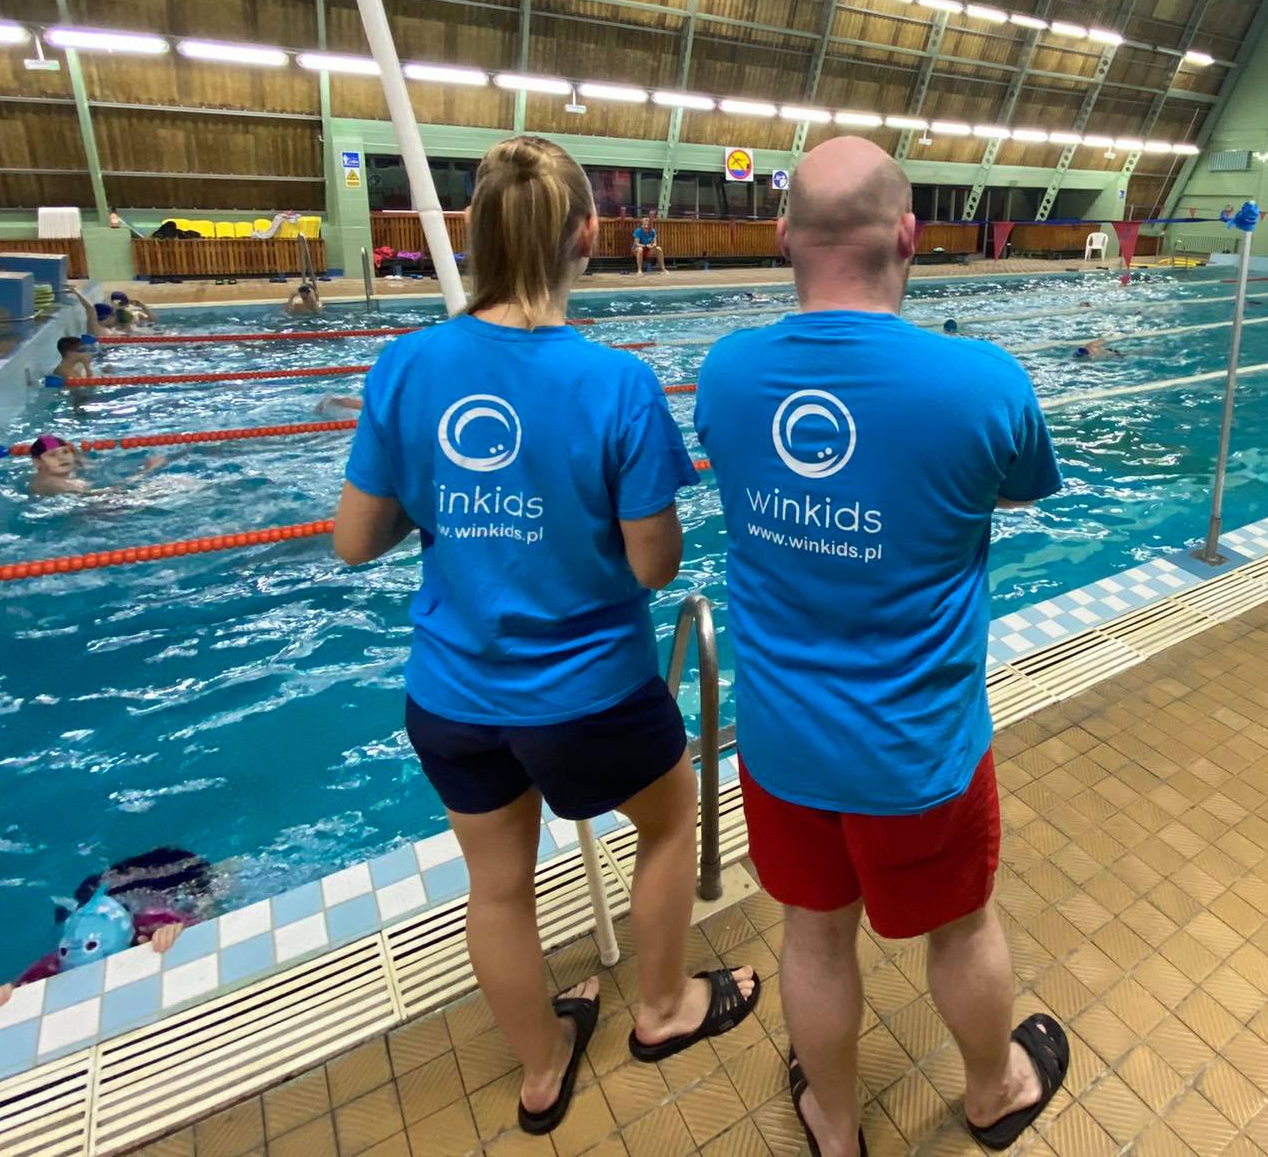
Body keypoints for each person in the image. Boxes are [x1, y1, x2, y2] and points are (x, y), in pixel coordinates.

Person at [332, 136, 756, 1136]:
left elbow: (355, 541)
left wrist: (452, 504)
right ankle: (663, 1008)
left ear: (472, 235)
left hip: (450, 697)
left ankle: (540, 1069)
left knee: (497, 890)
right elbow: (654, 566)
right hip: (587, 694)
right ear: (589, 236)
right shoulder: (616, 384)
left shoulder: (406, 366)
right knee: (668, 825)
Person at [695, 139, 1068, 1157]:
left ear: (783, 238)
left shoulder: (726, 374)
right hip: (919, 750)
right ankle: (992, 1092)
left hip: (783, 745)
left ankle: (834, 1122)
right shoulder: (982, 383)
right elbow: (1014, 492)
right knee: (962, 926)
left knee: (814, 936)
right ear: (908, 235)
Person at [0, 848, 217, 1008]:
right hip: (113, 905)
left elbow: (200, 930)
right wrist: (4, 995)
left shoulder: (151, 925)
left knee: (205, 895)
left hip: (163, 890)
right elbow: (21, 989)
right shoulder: (62, 958)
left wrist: (174, 933)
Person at [25, 435, 168, 496]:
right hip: (90, 515)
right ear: (37, 462)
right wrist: (147, 470)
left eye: (65, 452)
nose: (62, 457)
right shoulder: (53, 482)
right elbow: (108, 494)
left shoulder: (61, 470)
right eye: (52, 455)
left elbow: (83, 460)